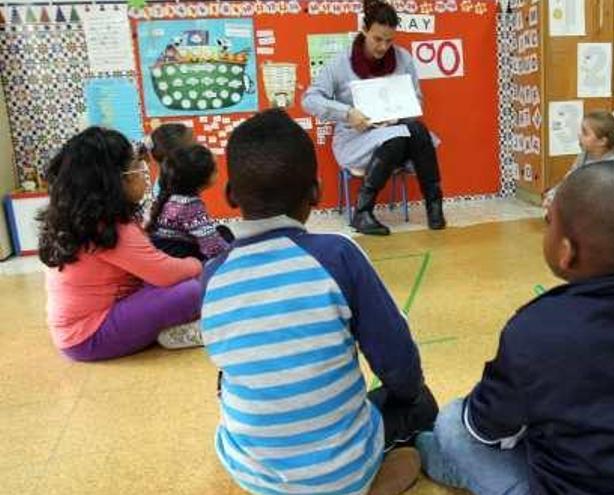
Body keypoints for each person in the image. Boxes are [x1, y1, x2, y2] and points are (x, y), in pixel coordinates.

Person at [418, 163, 614, 494]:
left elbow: (485, 427)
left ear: (566, 252)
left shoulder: (535, 329)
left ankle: (434, 460)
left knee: (452, 423)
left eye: (549, 223)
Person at [202, 108, 438, 495]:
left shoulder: (211, 274)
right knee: (420, 406)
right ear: (316, 192)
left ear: (230, 195)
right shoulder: (338, 255)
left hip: (252, 471)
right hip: (341, 471)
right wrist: (409, 394)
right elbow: (396, 358)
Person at [38, 127, 204, 361]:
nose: (141, 172)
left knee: (177, 281)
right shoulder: (109, 227)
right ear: (116, 180)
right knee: (191, 291)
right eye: (136, 165)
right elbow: (166, 273)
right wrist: (197, 264)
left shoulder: (80, 217)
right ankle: (179, 330)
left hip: (82, 329)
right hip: (88, 337)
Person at [302, 0, 445, 235]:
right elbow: (309, 100)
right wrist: (347, 113)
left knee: (417, 129)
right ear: (364, 30)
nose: (383, 47)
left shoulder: (403, 59)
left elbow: (416, 100)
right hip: (355, 138)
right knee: (397, 139)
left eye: (389, 40)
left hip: (393, 129)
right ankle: (362, 211)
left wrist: (397, 115)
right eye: (377, 39)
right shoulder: (340, 62)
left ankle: (434, 205)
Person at [146, 144, 229, 260]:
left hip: (166, 248)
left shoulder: (171, 195)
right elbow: (212, 246)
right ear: (203, 178)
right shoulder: (191, 205)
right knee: (227, 235)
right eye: (215, 169)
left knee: (221, 230)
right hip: (178, 255)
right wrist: (232, 254)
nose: (218, 172)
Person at [542, 110, 614, 207]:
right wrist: (552, 196)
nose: (579, 135)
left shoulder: (612, 164)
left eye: (585, 133)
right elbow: (568, 179)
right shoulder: (583, 155)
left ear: (602, 141)